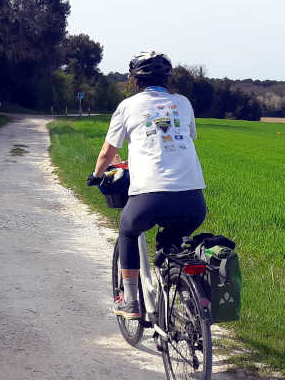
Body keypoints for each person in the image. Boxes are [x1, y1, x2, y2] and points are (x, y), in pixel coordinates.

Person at [87, 51, 207, 320]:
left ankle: (130, 301)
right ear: (168, 78)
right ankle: (189, 299)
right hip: (194, 202)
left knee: (128, 231)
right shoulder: (184, 103)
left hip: (150, 198)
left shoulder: (127, 106)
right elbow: (177, 141)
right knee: (171, 244)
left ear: (134, 80)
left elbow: (107, 154)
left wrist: (96, 175)